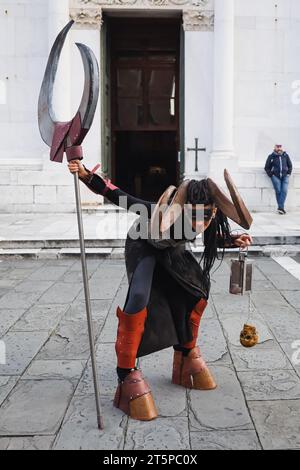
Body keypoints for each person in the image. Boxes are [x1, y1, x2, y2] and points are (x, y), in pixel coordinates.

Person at [68, 160, 253, 421]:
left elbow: (205, 235)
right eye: (195, 215)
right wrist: (86, 175)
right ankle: (126, 372)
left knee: (196, 291)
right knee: (140, 296)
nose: (201, 222)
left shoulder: (208, 216)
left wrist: (234, 240)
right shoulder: (157, 211)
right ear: (184, 208)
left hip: (171, 251)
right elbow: (118, 195)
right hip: (143, 247)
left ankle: (186, 356)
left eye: (208, 215)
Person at [265, 144, 293, 215]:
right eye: (277, 147)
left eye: (280, 147)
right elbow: (266, 167)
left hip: (285, 176)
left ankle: (280, 208)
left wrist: (288, 173)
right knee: (278, 191)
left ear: (282, 148)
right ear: (274, 148)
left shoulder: (285, 155)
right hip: (275, 176)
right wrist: (271, 175)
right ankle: (281, 208)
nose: (279, 148)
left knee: (284, 191)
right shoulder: (271, 156)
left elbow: (290, 165)